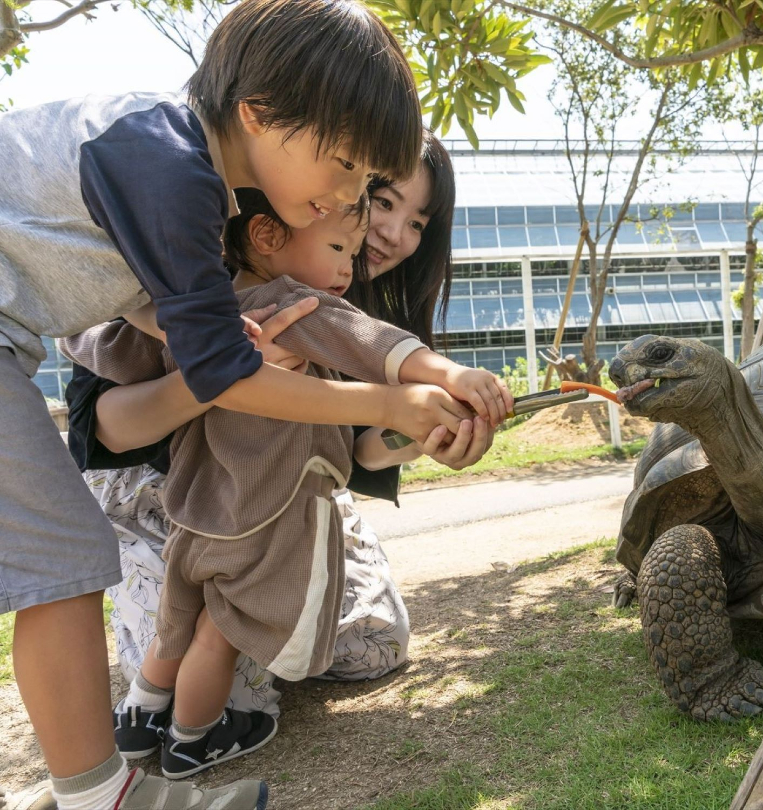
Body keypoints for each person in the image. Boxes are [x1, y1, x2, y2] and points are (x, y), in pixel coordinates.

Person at [0, 1, 498, 807]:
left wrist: (403, 413)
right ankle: (101, 796)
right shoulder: (170, 165)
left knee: (63, 564)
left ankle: (90, 791)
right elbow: (221, 374)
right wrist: (393, 399)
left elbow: (147, 309)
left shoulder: (181, 175)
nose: (350, 199)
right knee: (63, 562)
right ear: (261, 116)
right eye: (343, 169)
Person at [61, 160, 505, 776]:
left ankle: (154, 719)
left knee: (360, 643)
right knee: (214, 638)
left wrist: (421, 435)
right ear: (300, 203)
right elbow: (101, 402)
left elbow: (357, 447)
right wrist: (222, 371)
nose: (391, 235)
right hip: (158, 488)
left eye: (418, 223)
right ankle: (192, 735)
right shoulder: (206, 279)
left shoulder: (325, 285)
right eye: (380, 202)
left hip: (255, 496)